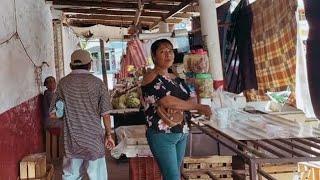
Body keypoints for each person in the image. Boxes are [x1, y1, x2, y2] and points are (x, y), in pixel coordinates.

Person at [141, 39, 212, 180]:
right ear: (154, 56)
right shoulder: (151, 77)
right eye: (163, 51)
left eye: (170, 51)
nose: (168, 54)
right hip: (161, 134)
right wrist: (197, 107)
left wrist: (180, 105)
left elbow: (191, 96)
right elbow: (167, 101)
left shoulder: (176, 78)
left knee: (173, 176)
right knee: (173, 177)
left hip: (181, 132)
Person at [49, 49, 115, 180]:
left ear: (70, 65)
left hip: (71, 141)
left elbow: (53, 114)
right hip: (94, 140)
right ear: (89, 65)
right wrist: (108, 135)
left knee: (70, 176)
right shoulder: (98, 84)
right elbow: (106, 114)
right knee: (98, 176)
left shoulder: (63, 83)